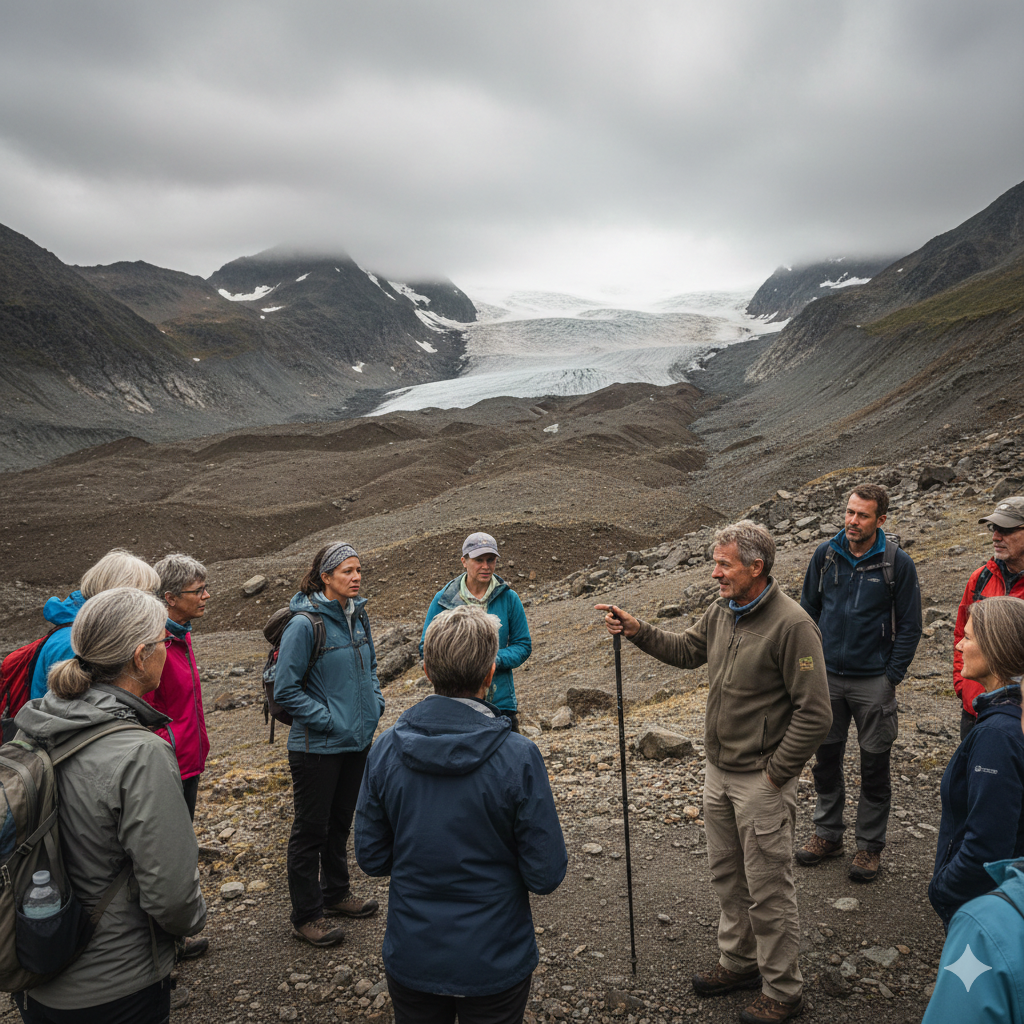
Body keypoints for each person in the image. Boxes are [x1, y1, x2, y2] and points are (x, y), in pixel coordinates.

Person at [598, 520, 831, 1024]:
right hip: (718, 772)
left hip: (761, 781)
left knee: (769, 886)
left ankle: (784, 990)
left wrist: (775, 775)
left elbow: (816, 713)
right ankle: (740, 962)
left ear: (756, 567)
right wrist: (637, 629)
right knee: (728, 876)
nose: (715, 573)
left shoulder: (793, 625)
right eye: (715, 563)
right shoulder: (723, 611)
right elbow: (687, 651)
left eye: (724, 565)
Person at [356, 605, 567, 1024]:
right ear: (491, 673)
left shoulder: (384, 750)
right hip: (494, 958)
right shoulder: (519, 757)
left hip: (413, 954)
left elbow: (372, 859)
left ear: (427, 670)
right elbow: (545, 874)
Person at [12, 587, 207, 1024]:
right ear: (140, 657)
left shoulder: (35, 723)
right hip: (117, 985)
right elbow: (172, 896)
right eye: (162, 642)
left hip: (36, 970)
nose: (166, 650)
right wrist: (194, 919)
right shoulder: (141, 753)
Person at [795, 484, 922, 882]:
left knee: (874, 766)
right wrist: (807, 669)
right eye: (849, 512)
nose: (852, 521)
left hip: (873, 683)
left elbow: (911, 626)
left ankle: (869, 847)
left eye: (862, 515)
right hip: (827, 679)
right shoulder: (826, 555)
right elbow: (806, 614)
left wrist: (891, 677)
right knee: (826, 761)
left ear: (880, 520)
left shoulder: (896, 564)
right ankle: (827, 835)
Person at [275, 541, 384, 947]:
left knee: (340, 823)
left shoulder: (359, 616)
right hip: (315, 747)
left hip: (355, 742)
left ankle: (336, 894)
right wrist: (330, 722)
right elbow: (286, 691)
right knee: (310, 831)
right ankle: (306, 915)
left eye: (359, 570)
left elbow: (371, 667)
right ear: (326, 577)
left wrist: (375, 704)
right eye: (347, 571)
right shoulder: (305, 624)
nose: (356, 578)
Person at [928, 596, 1024, 929]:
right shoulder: (1010, 718)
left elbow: (987, 847)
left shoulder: (998, 735)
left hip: (984, 908)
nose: (958, 645)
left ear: (996, 649)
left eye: (967, 638)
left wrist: (942, 889)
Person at [143, 553, 212, 962]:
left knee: (179, 852)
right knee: (163, 859)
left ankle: (170, 940)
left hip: (187, 762)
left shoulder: (180, 634)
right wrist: (166, 750)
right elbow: (142, 711)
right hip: (168, 766)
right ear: (170, 598)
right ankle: (157, 951)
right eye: (197, 590)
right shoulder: (155, 644)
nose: (206, 596)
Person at [420, 532, 531, 732]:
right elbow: (425, 647)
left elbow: (522, 645)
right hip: (453, 703)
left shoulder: (509, 598)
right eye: (478, 560)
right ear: (464, 561)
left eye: (491, 560)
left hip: (500, 704)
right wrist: (460, 663)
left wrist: (491, 659)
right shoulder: (444, 599)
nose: (486, 566)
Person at [29, 549, 160, 699]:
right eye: (143, 594)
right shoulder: (79, 641)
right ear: (117, 595)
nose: (150, 603)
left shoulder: (85, 632)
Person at [953, 496, 1024, 739]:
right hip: (976, 706)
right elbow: (961, 633)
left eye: (1006, 530)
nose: (996, 536)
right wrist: (963, 687)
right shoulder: (980, 577)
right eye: (994, 528)